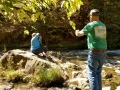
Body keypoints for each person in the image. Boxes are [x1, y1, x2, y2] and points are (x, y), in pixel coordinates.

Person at [75, 9, 107, 90]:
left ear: (91, 16)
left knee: (92, 74)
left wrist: (76, 32)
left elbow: (79, 34)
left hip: (95, 53)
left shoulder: (91, 25)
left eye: (89, 16)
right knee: (98, 73)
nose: (89, 17)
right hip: (103, 53)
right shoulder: (103, 25)